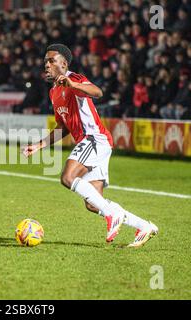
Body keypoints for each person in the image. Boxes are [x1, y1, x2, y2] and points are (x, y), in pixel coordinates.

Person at [22, 44, 158, 248]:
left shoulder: (74, 78)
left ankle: (113, 214)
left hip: (94, 138)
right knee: (92, 203)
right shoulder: (54, 92)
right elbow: (63, 126)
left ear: (64, 63)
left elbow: (98, 92)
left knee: (68, 177)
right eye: (45, 61)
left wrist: (72, 85)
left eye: (51, 60)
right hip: (93, 143)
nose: (47, 64)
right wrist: (40, 145)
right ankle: (144, 226)